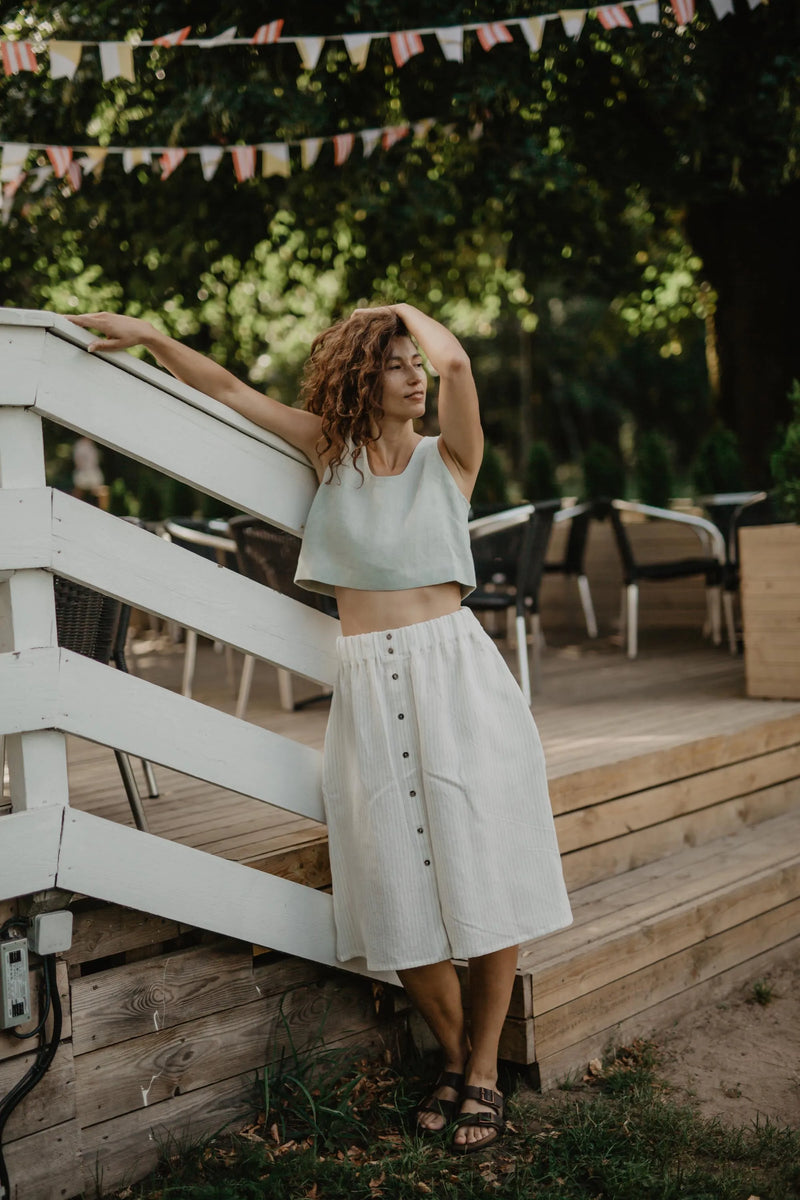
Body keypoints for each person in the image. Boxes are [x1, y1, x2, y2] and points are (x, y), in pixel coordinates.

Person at [67, 304, 573, 1154]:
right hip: (370, 686)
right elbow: (227, 390)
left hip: (458, 673)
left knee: (489, 863)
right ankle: (452, 1057)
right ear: (361, 379)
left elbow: (458, 368)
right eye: (395, 364)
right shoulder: (329, 454)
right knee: (391, 875)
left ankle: (481, 1071)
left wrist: (401, 315)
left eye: (415, 362)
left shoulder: (452, 458)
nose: (416, 375)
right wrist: (152, 335)